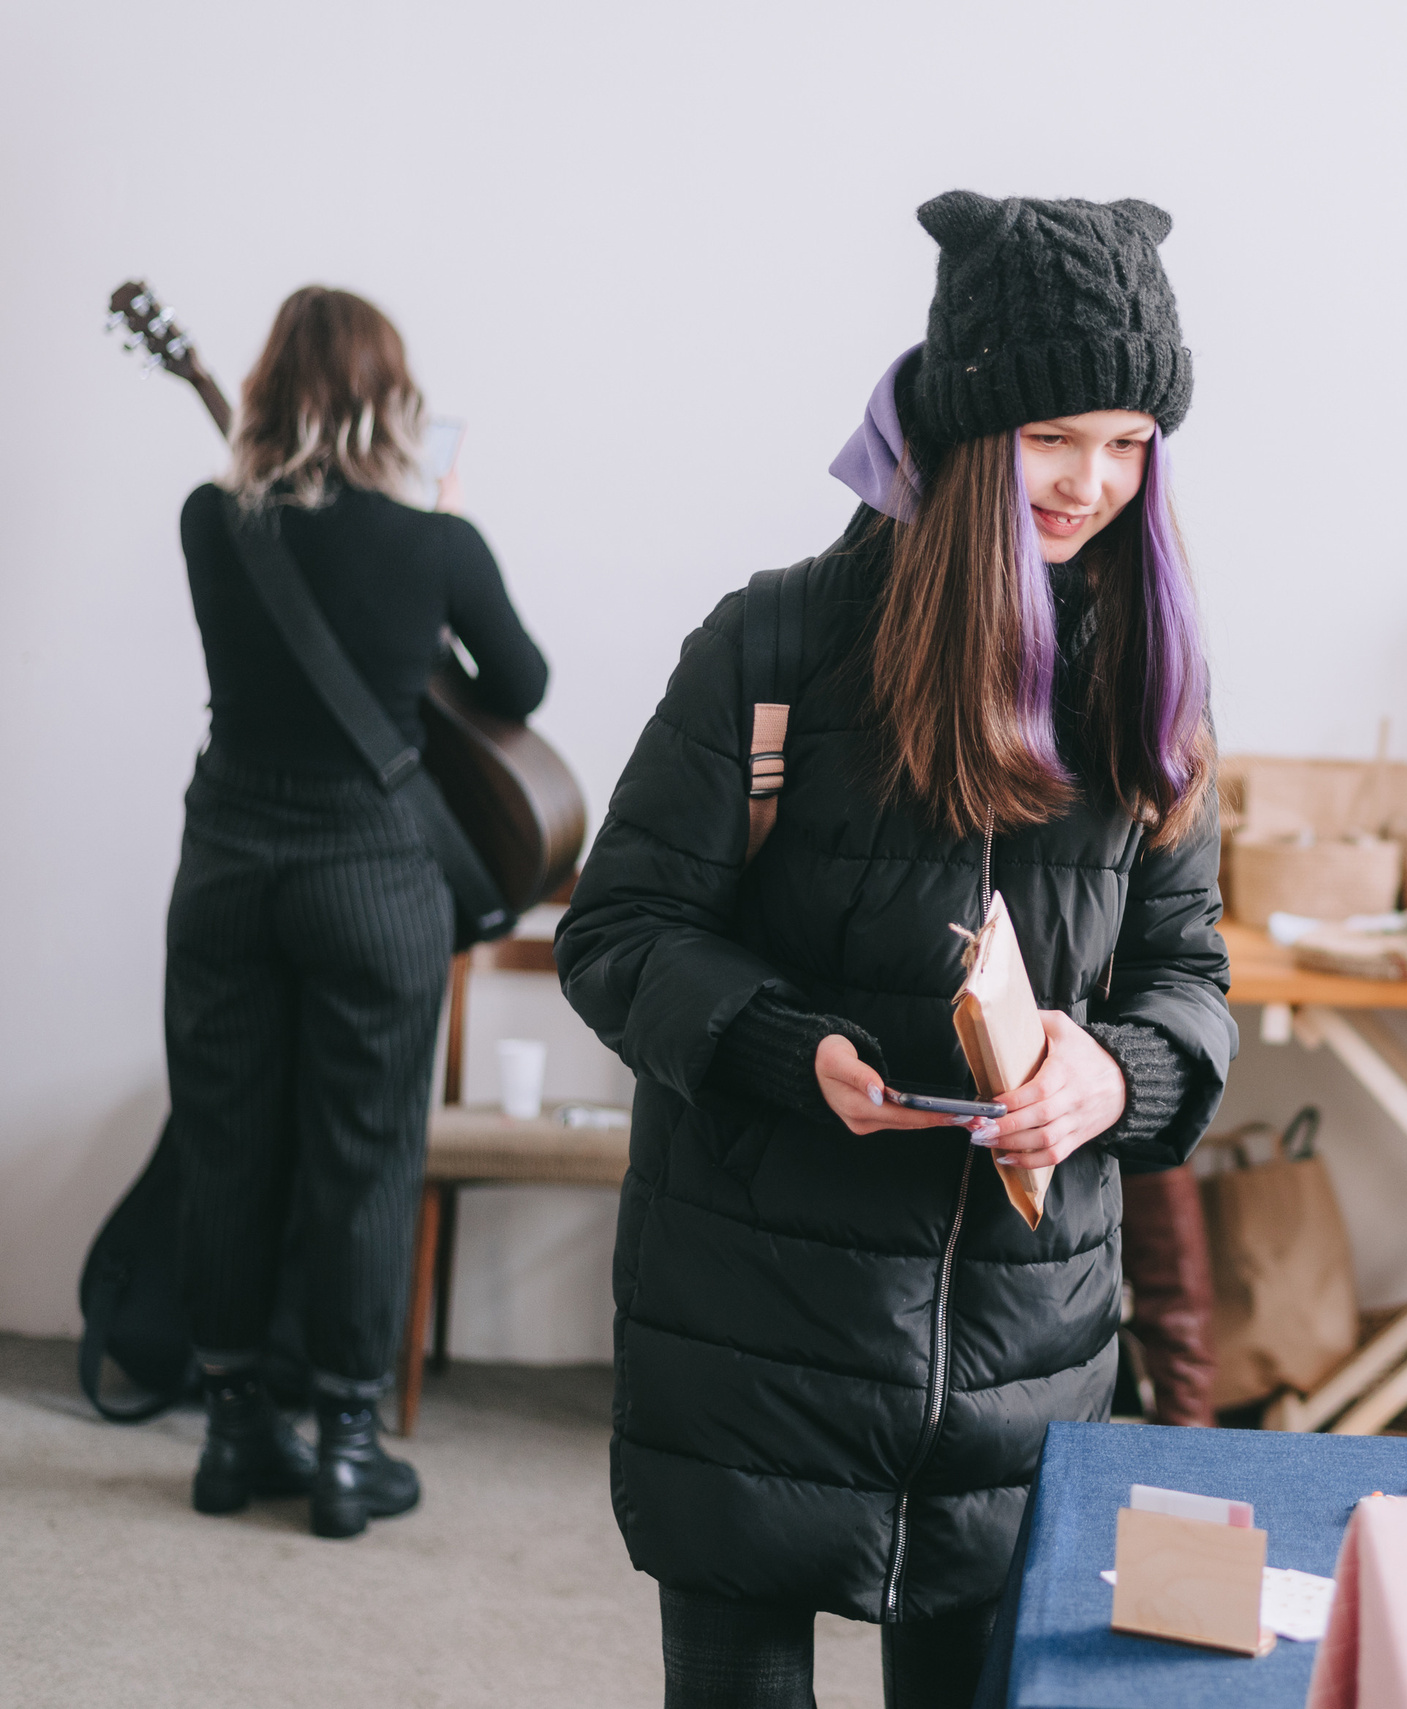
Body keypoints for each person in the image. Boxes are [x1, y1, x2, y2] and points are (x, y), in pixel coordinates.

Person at [554, 191, 1234, 1709]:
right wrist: (788, 1048)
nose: (1092, 481)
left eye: (1130, 443)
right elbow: (615, 933)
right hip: (752, 1321)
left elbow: (1192, 982)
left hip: (1019, 1348)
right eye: (1056, 436)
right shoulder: (776, 645)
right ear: (971, 426)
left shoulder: (1149, 680)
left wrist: (1109, 1077)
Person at [169, 287, 548, 1538]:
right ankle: (342, 1440)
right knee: (364, 1156)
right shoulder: (436, 543)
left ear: (270, 386)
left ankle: (232, 1432)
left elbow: (280, 592)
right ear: (394, 403)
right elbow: (523, 682)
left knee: (229, 1140)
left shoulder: (209, 522)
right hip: (372, 880)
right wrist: (429, 554)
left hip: (227, 866)